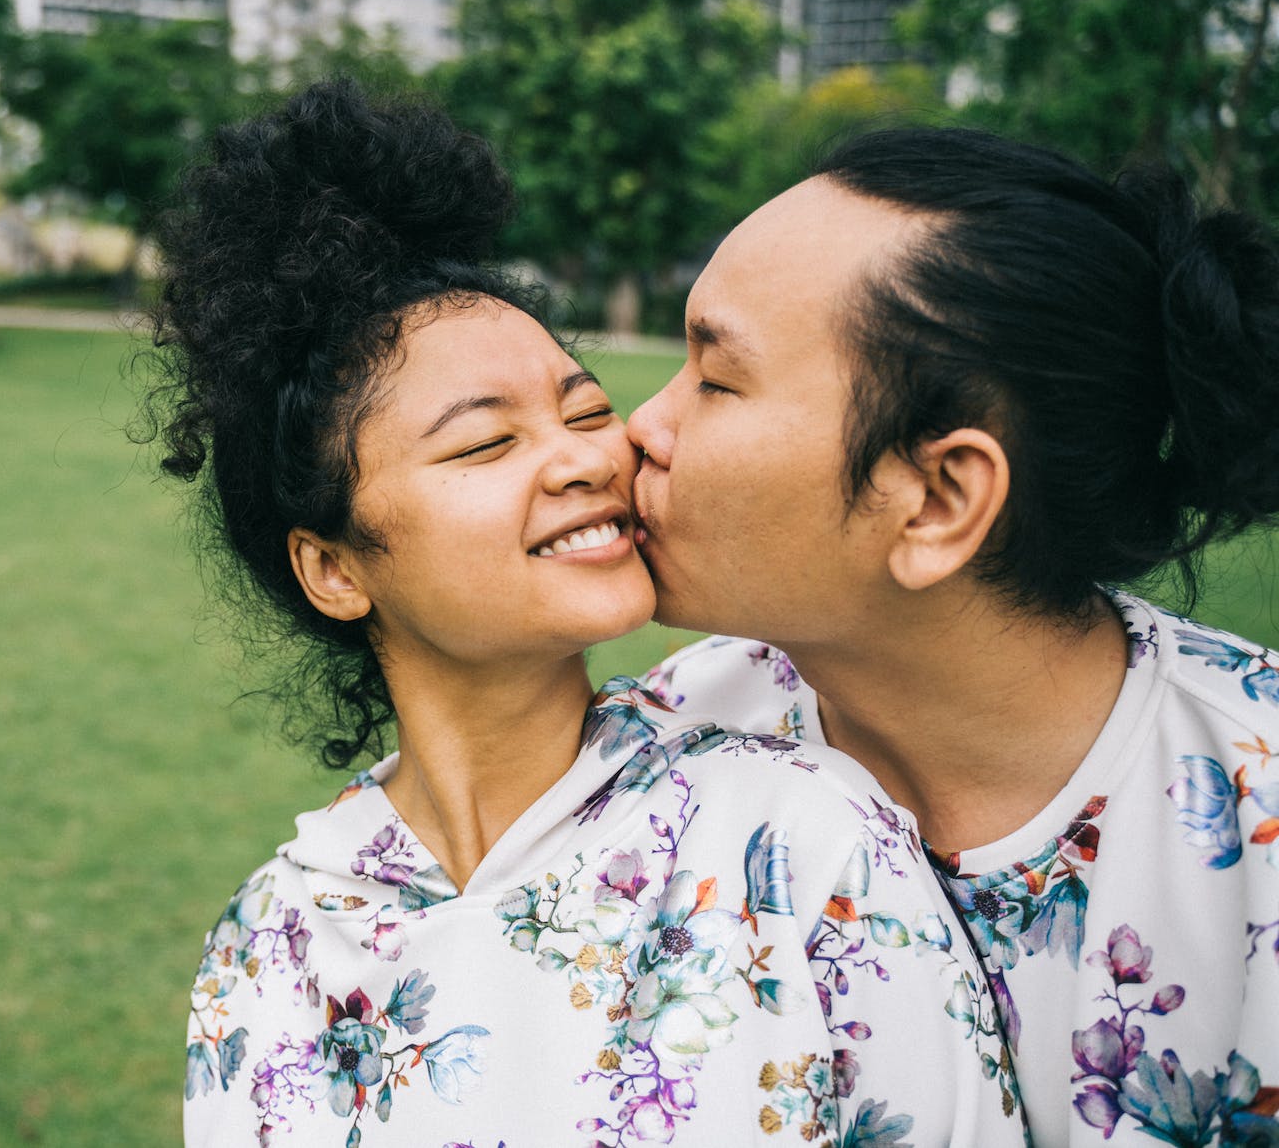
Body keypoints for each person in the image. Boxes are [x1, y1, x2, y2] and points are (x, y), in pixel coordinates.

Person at [154, 82, 1025, 1146]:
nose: (583, 457)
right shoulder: (270, 942)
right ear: (333, 567)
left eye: (584, 409)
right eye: (483, 442)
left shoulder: (796, 841)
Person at [628, 127, 1279, 1148]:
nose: (637, 428)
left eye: (714, 381)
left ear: (935, 498)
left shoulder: (1258, 818)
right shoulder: (652, 756)